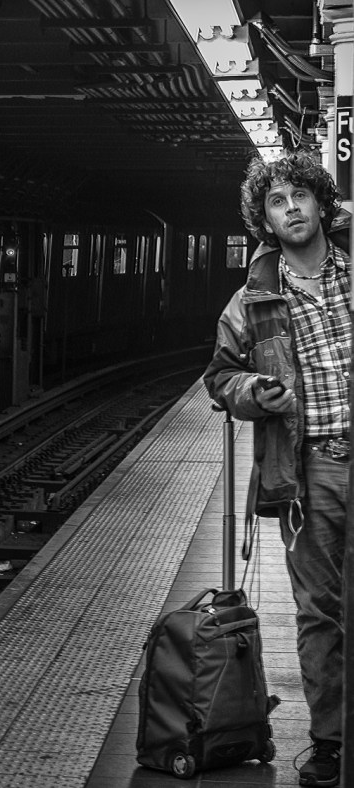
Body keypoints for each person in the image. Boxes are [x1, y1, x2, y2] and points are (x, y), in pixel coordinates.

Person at [204, 148, 351, 788]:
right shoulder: (251, 303)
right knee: (320, 610)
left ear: (322, 202)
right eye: (276, 201)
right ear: (265, 219)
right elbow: (220, 376)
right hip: (307, 469)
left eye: (300, 196)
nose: (291, 209)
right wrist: (251, 393)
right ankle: (332, 744)